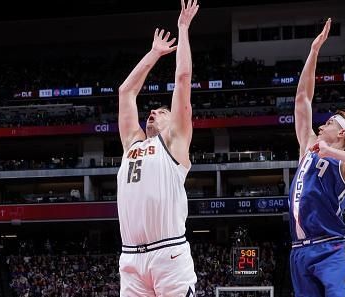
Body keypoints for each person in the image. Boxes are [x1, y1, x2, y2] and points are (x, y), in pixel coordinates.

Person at [116, 0, 198, 296]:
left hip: (169, 255)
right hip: (131, 259)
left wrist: (183, 29)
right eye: (151, 112)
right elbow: (126, 92)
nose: (152, 113)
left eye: (161, 112)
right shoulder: (132, 144)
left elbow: (183, 78)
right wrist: (153, 53)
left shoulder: (175, 142)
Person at [289, 18, 345, 297]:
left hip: (331, 247)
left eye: (329, 123)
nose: (321, 126)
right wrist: (314, 52)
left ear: (342, 134)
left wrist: (330, 151)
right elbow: (302, 99)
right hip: (299, 251)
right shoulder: (307, 144)